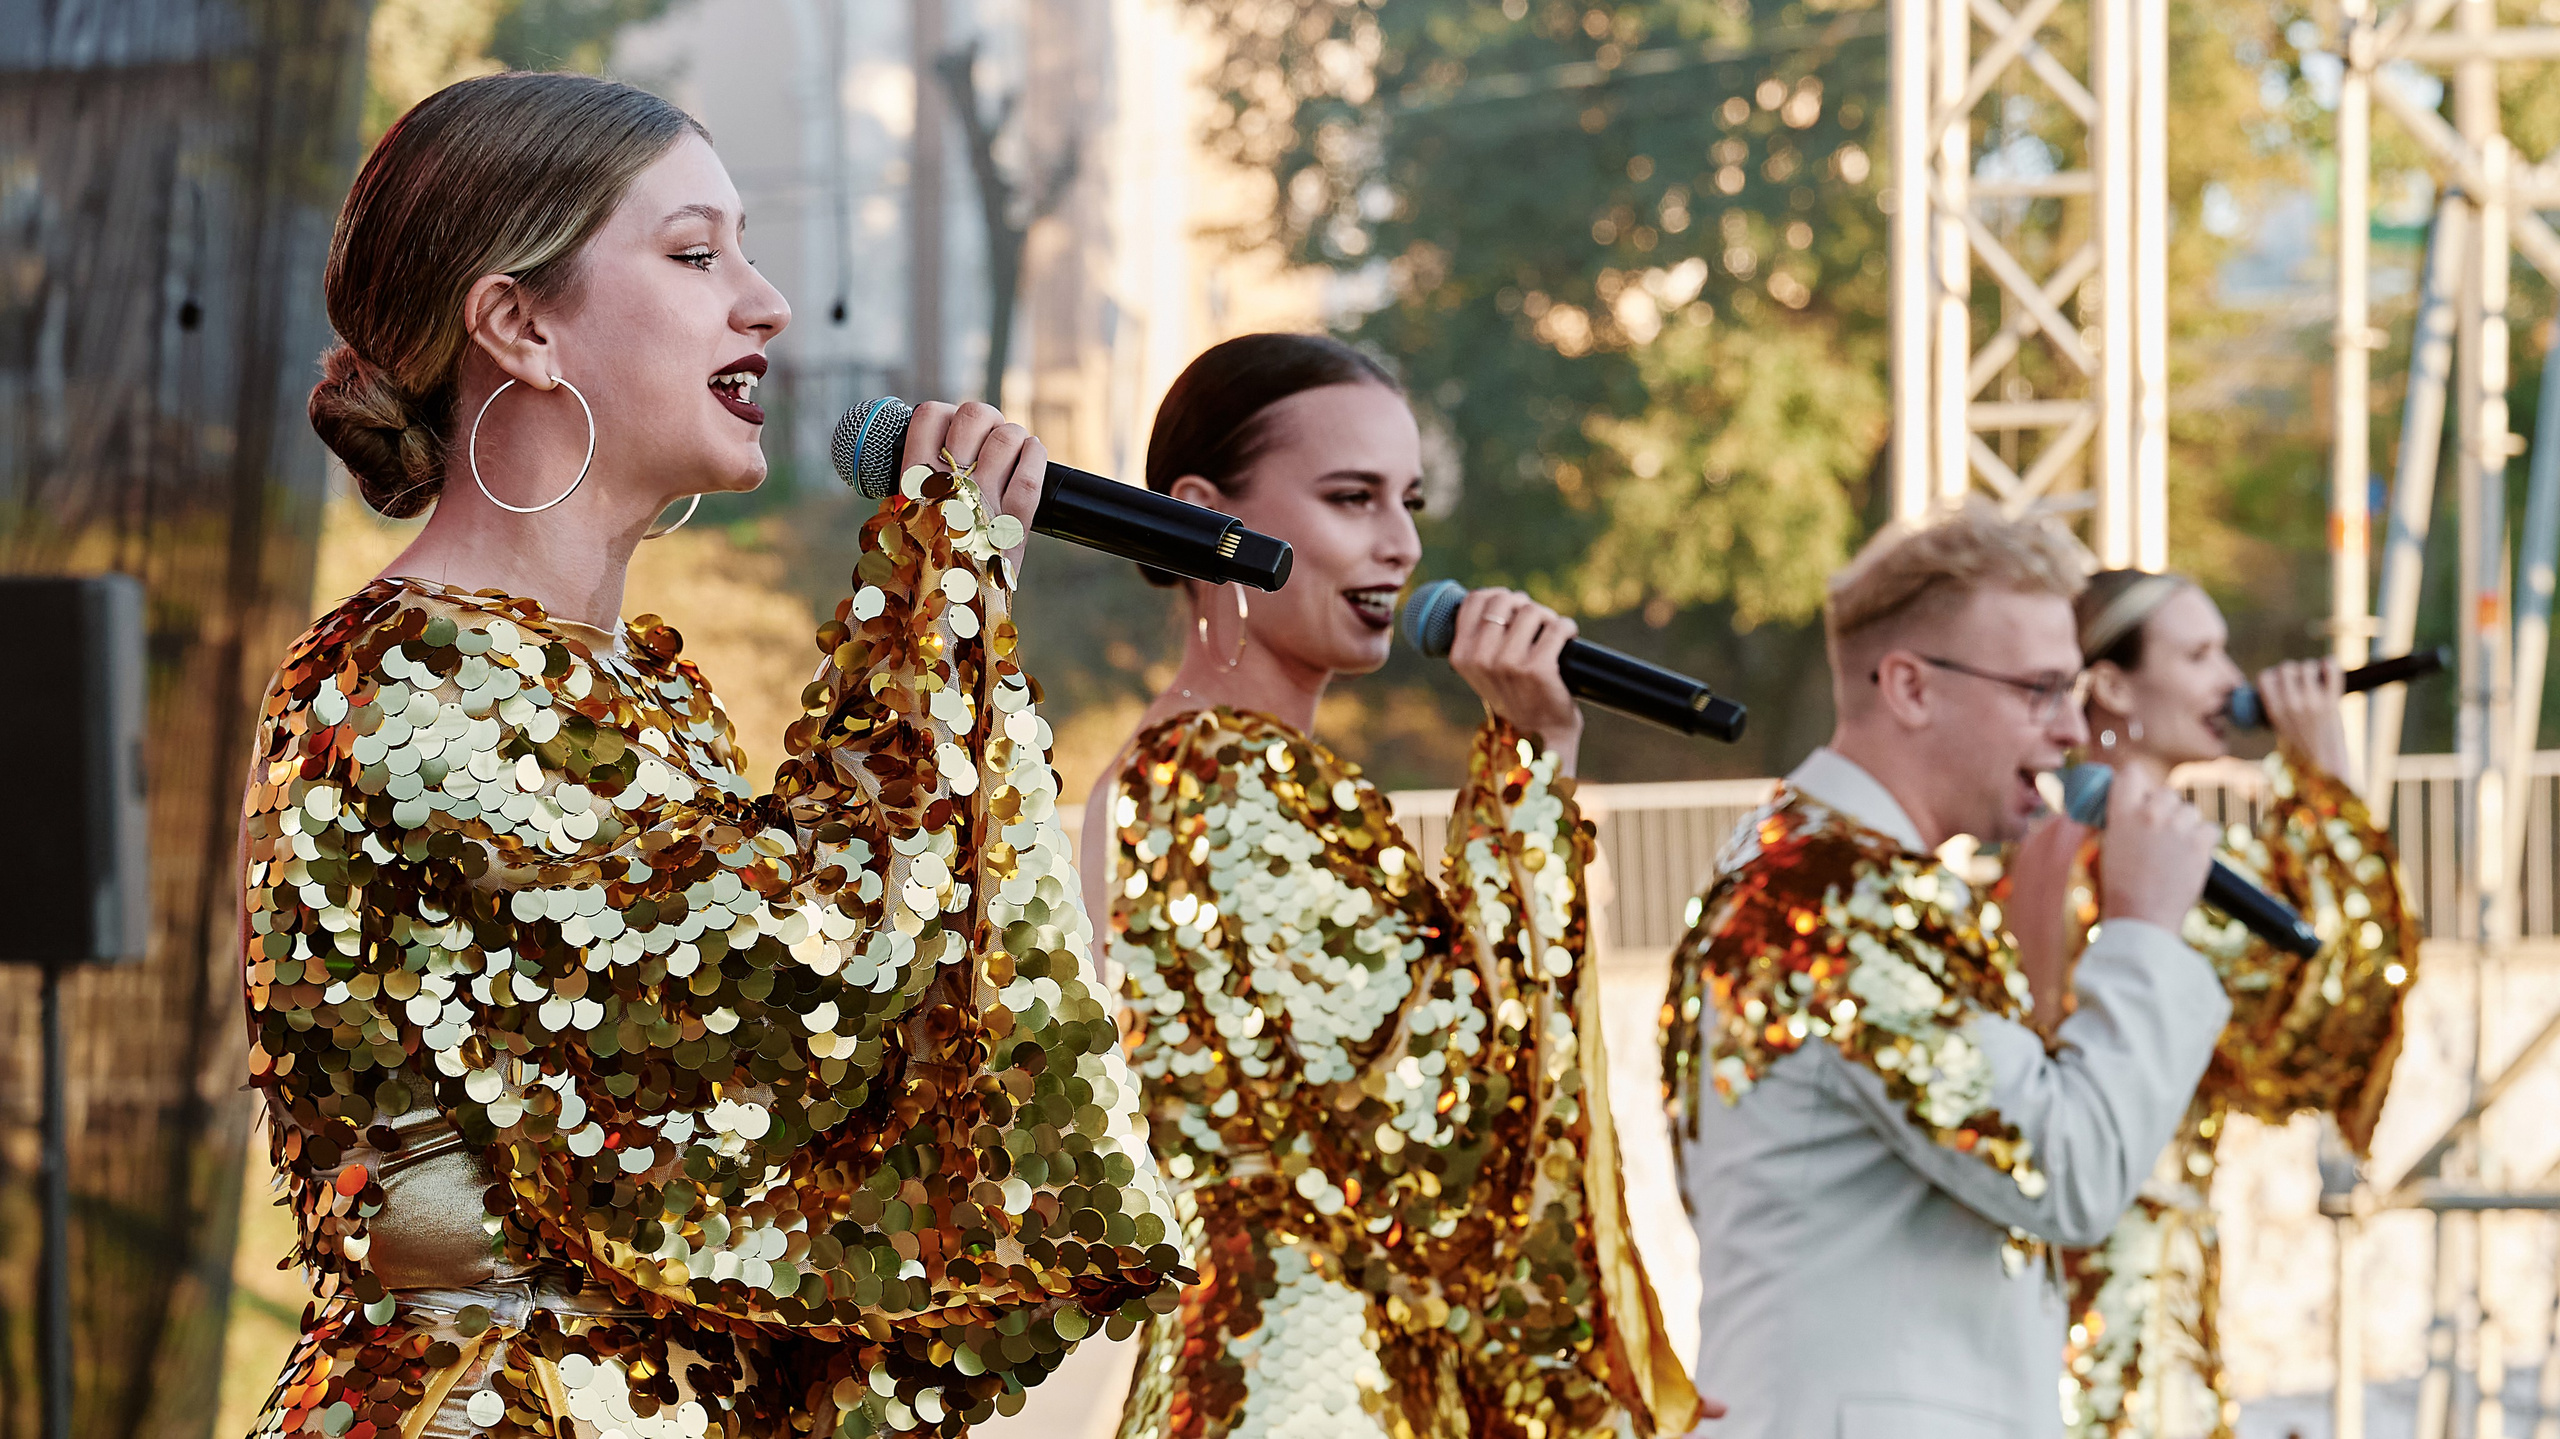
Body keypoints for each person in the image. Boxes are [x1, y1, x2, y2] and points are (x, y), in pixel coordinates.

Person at [242, 72, 1185, 1439]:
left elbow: (835, 1078)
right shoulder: (396, 680)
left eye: (747, 246)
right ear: (518, 322)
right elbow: (780, 1005)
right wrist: (936, 612)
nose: (767, 300)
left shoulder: (639, 694)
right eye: (696, 255)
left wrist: (948, 615)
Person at [1075, 333, 1703, 1439]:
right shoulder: (1210, 774)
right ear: (1203, 512)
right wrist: (1530, 768)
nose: (1402, 544)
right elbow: (1431, 1134)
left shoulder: (1254, 772)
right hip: (1302, 1388)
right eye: (1351, 497)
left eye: (1407, 500)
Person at [1660, 501, 2229, 1439]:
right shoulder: (1835, 899)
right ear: (1911, 688)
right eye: (2041, 691)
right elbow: (2069, 1171)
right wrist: (2143, 932)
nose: (2070, 733)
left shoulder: (1821, 870)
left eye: (2077, 693)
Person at [2049, 572, 2417, 1439]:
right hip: (2113, 1329)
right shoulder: (2118, 862)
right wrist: (2326, 779)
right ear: (2109, 685)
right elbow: (2334, 1005)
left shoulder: (2116, 843)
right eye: (2199, 653)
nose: (2230, 678)